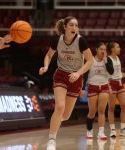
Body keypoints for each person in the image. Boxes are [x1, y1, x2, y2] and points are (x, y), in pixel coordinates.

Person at [39, 16, 93, 150]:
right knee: (59, 106)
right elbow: (49, 55)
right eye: (71, 25)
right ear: (65, 27)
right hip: (61, 75)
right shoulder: (57, 39)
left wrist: (78, 73)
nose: (74, 27)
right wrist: (46, 66)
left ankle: (55, 121)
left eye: (76, 25)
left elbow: (90, 61)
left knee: (65, 116)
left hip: (76, 77)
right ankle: (52, 139)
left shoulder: (81, 41)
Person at [81, 42, 114, 140]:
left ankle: (101, 132)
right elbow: (85, 75)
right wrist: (82, 89)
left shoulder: (108, 60)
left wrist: (105, 62)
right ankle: (89, 130)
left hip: (104, 86)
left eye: (104, 50)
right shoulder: (90, 60)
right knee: (92, 112)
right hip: (92, 86)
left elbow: (111, 71)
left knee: (101, 111)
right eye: (101, 49)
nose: (103, 51)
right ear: (96, 50)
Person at [107, 42, 125, 138]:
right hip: (111, 84)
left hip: (119, 83)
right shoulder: (108, 59)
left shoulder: (118, 58)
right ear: (112, 49)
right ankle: (112, 130)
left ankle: (123, 128)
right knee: (111, 108)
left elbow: (117, 71)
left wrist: (122, 74)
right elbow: (108, 72)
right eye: (117, 47)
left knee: (124, 106)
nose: (119, 48)